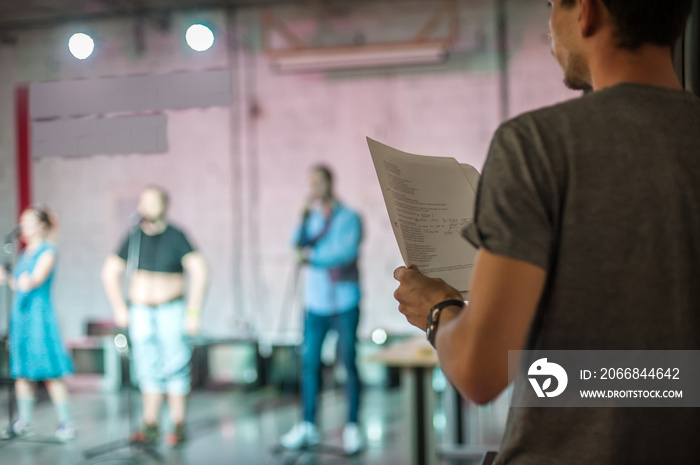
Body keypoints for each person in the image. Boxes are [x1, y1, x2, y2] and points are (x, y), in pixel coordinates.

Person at [393, 0, 700, 463]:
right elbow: (671, 377)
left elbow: (481, 373)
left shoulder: (537, 144)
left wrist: (440, 311)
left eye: (554, 5)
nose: (549, 25)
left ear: (587, 12)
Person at [101, 186, 208, 447]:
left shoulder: (176, 236)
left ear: (164, 205)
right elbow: (110, 270)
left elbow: (200, 270)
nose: (147, 207)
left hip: (170, 310)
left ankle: (178, 424)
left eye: (152, 201)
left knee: (175, 366)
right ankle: (150, 423)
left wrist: (193, 312)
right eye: (143, 202)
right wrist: (119, 308)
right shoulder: (134, 237)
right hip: (140, 312)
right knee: (147, 368)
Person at [280, 164, 364, 455]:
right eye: (310, 183)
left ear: (330, 183)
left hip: (344, 303)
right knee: (310, 364)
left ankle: (352, 426)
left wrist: (312, 259)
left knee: (348, 363)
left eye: (318, 182)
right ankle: (307, 425)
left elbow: (346, 253)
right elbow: (295, 244)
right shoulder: (311, 219)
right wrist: (302, 220)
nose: (313, 188)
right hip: (315, 305)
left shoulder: (350, 218)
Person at [0, 206, 76, 442]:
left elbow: (36, 279)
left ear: (41, 226)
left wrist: (27, 280)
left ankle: (66, 422)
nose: (23, 228)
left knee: (50, 372)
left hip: (39, 318)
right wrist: (8, 280)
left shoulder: (48, 251)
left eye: (28, 222)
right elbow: (20, 284)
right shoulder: (24, 252)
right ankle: (25, 420)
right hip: (21, 317)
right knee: (22, 372)